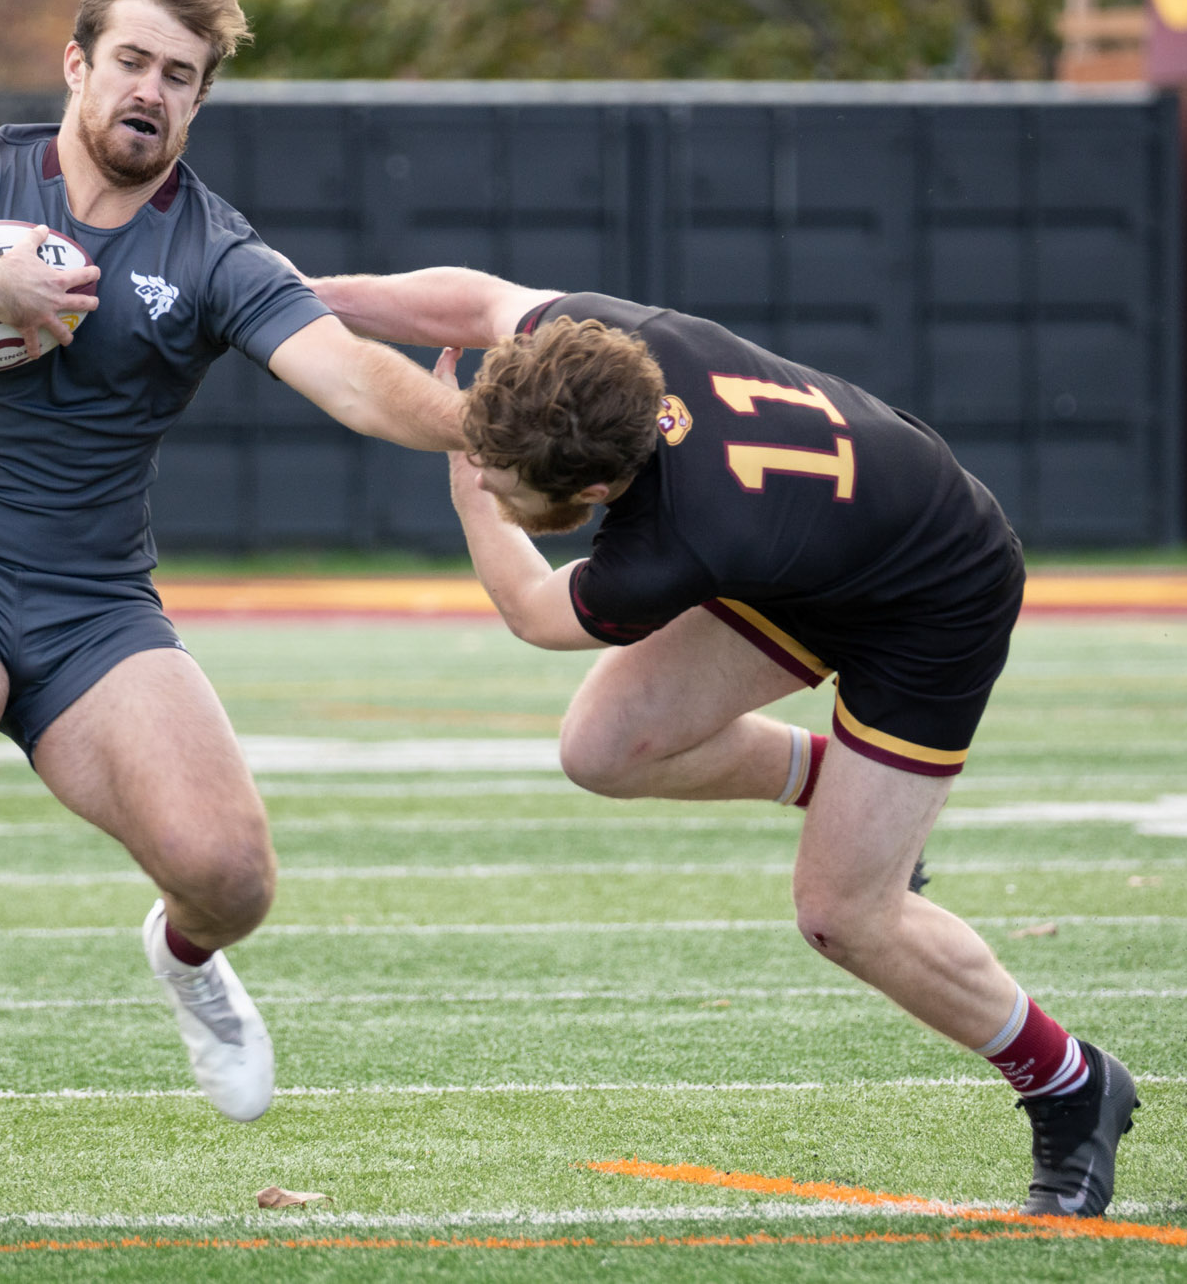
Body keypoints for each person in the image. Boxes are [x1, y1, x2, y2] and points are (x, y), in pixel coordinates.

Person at [0, 0, 465, 1234]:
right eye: (134, 61)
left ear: (197, 106)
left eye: (181, 78)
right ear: (80, 65)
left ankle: (185, 955)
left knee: (233, 875)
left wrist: (485, 429)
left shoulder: (211, 246)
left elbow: (353, 378)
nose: (152, 91)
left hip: (92, 603)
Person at [309, 268, 1141, 1218]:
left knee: (842, 913)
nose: (485, 474)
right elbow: (480, 299)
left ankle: (1070, 1084)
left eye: (503, 479)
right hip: (816, 542)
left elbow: (536, 612)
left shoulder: (677, 541)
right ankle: (850, 795)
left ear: (591, 489)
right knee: (604, 746)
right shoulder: (598, 341)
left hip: (933, 591)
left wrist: (466, 497)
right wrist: (302, 297)